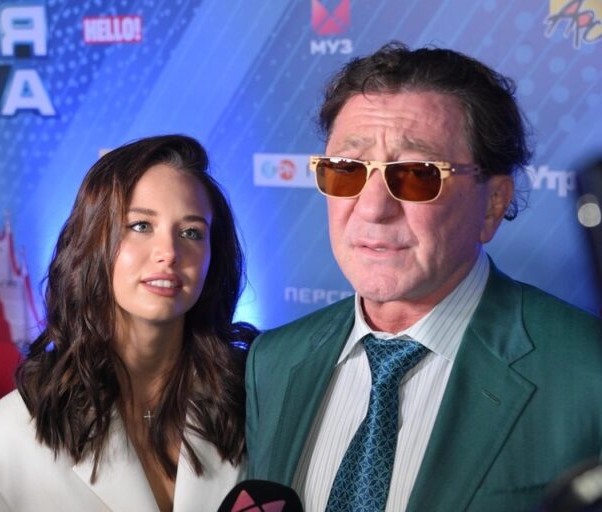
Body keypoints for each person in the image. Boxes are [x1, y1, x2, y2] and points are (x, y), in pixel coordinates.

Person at [245, 42, 602, 512]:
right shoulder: (272, 361)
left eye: (417, 173)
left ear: (493, 203)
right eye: (348, 170)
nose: (373, 208)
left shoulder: (587, 374)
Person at [0, 135, 257, 512]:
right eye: (141, 226)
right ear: (92, 241)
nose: (169, 252)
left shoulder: (256, 399)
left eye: (191, 232)